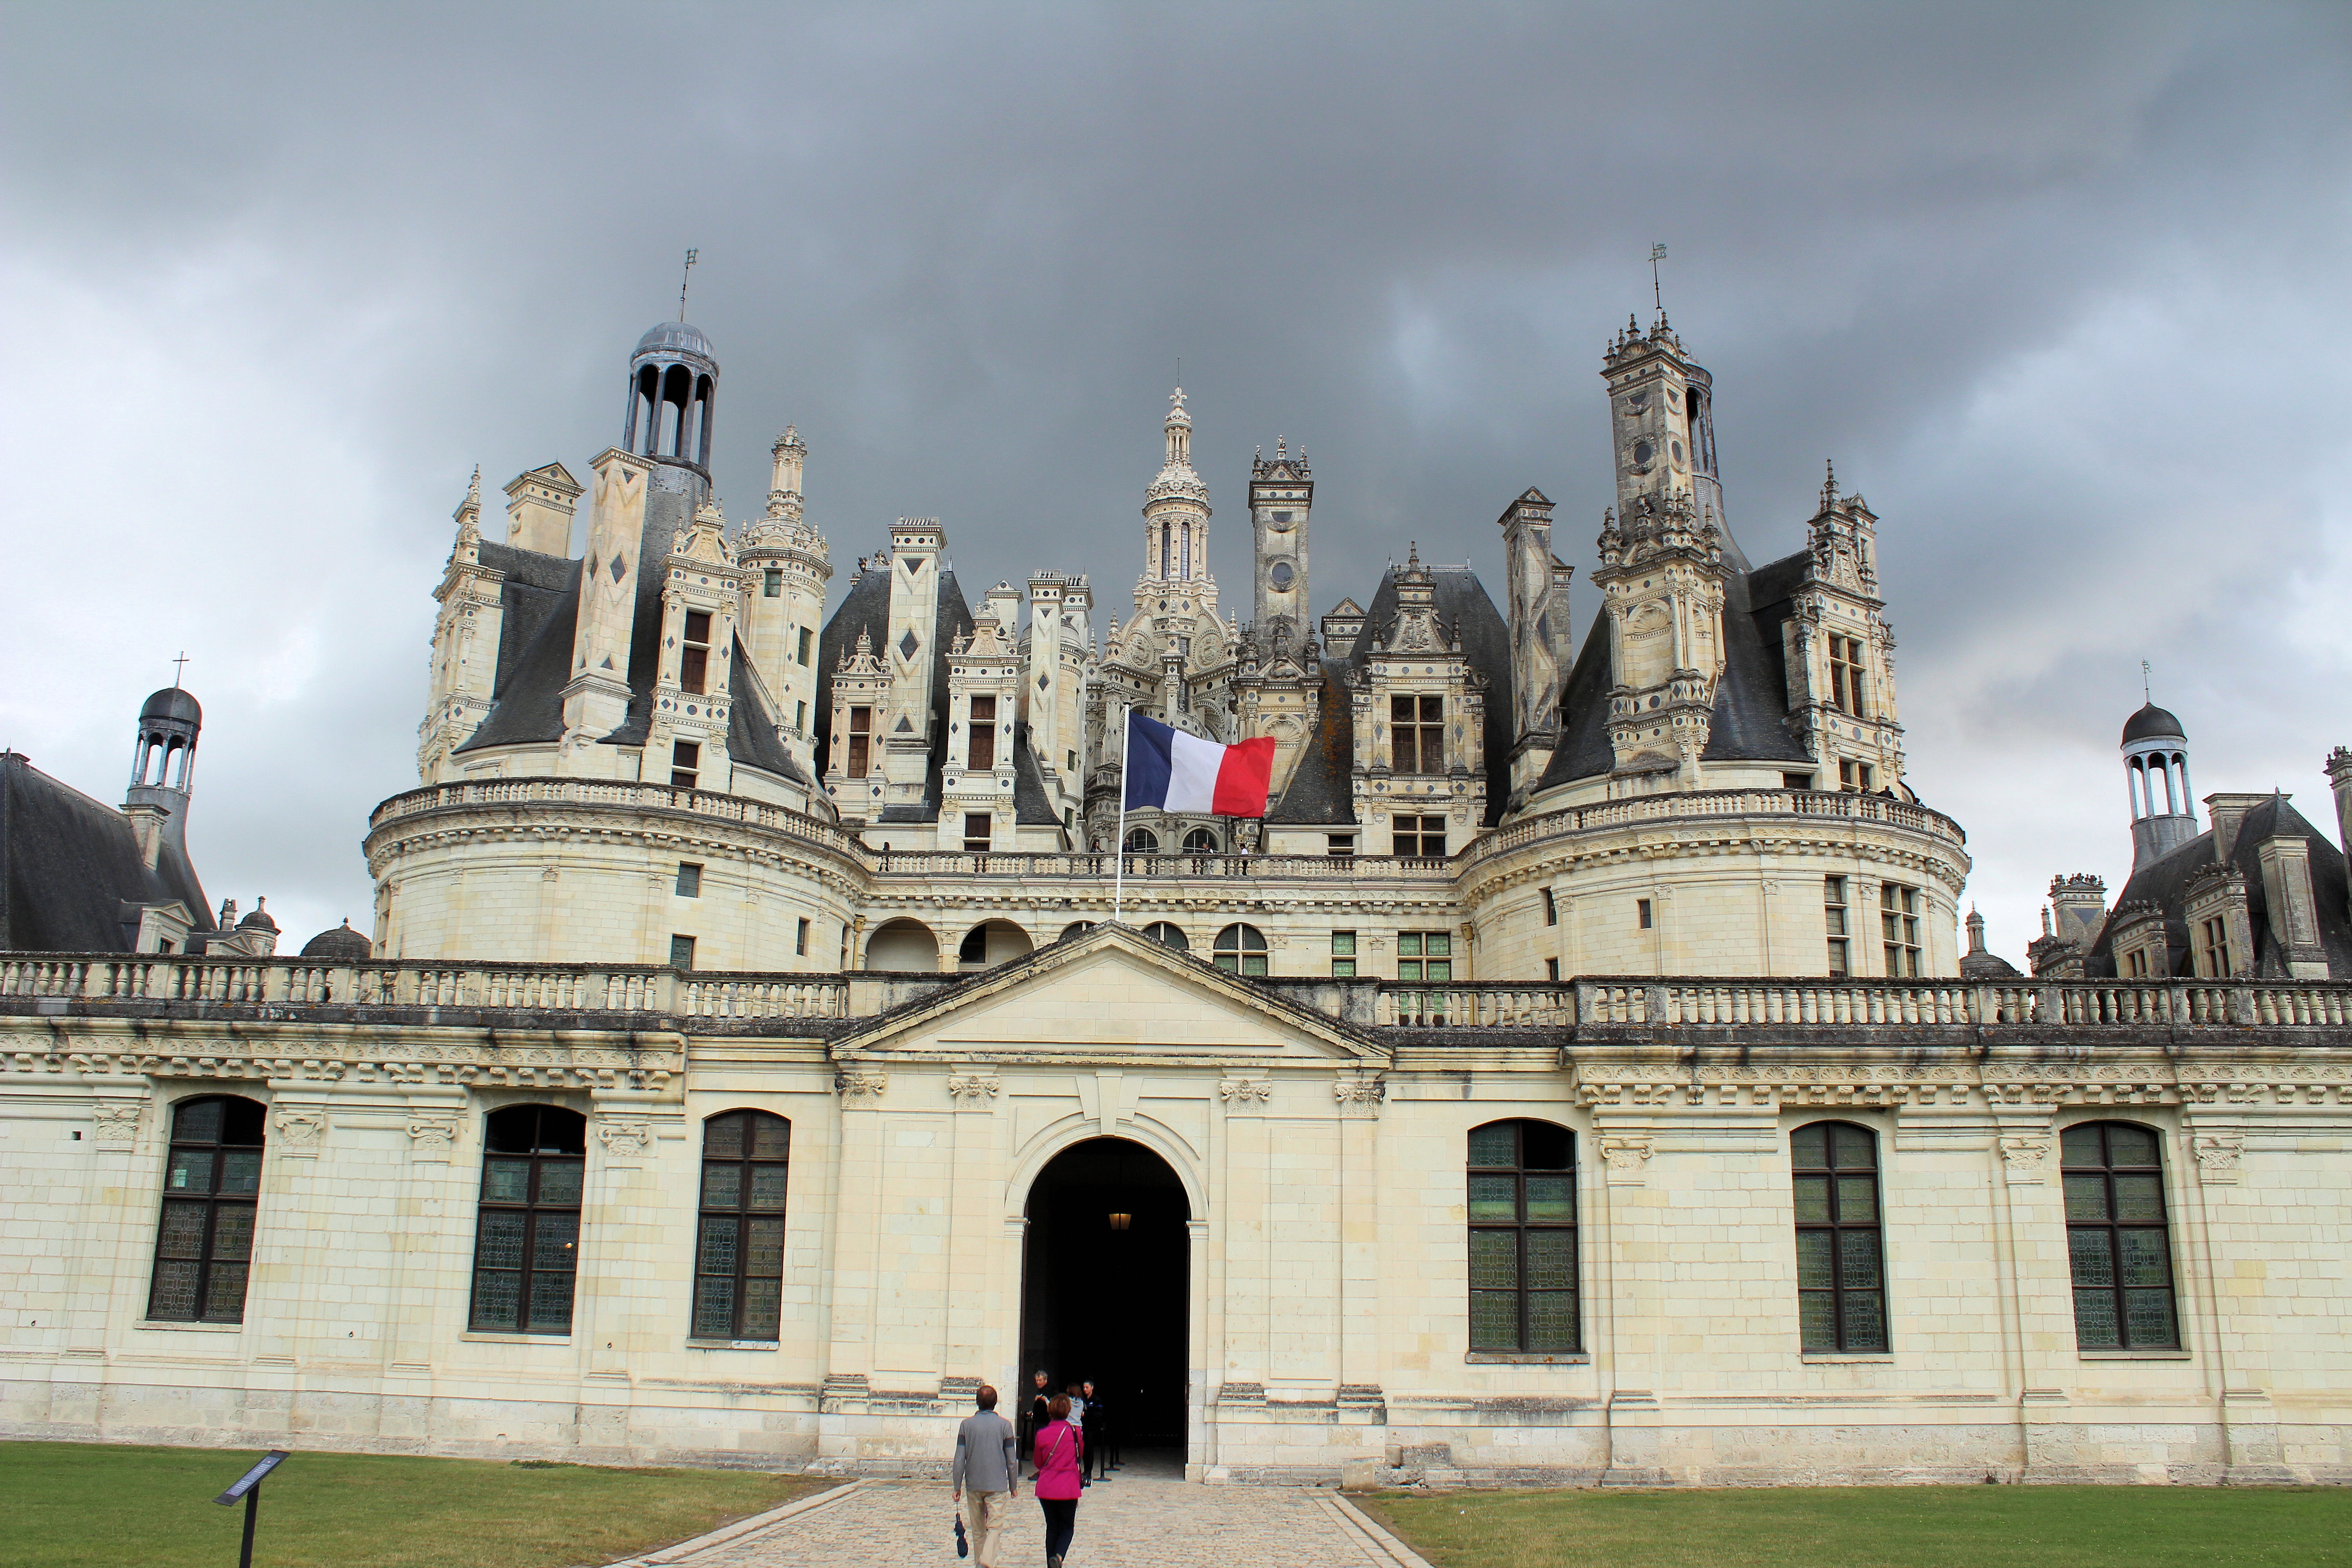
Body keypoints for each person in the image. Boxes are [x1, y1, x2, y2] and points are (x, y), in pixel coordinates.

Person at [951, 1384, 1018, 1568]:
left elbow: (959, 1459)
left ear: (977, 1402)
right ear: (996, 1403)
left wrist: (957, 1486)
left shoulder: (966, 1425)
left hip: (974, 1484)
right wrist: (1013, 1486)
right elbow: (1012, 1460)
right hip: (997, 1484)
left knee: (978, 1531)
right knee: (995, 1527)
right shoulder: (1005, 1426)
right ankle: (987, 1561)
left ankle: (980, 1562)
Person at [1032, 1393, 1084, 1568]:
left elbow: (1038, 1463)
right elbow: (1080, 1455)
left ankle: (1051, 1564)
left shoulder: (1042, 1433)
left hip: (1047, 1487)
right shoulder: (1076, 1433)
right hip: (1068, 1487)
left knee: (1052, 1527)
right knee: (1068, 1527)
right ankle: (1059, 1556)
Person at [1021, 1370, 1052, 1475]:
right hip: (1039, 1420)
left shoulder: (1048, 1390)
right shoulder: (1040, 1391)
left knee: (1043, 1445)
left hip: (1045, 1422)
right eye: (1037, 1381)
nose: (1038, 1383)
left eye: (1040, 1380)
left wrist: (1043, 1399)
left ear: (1045, 1380)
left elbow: (1049, 1404)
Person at [1079, 1381, 1111, 1481]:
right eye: (1084, 1388)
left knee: (1090, 1449)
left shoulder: (1097, 1400)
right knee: (1084, 1450)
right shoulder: (1082, 1400)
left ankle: (1089, 1472)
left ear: (1092, 1388)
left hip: (1092, 1427)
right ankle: (1085, 1470)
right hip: (1083, 1427)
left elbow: (1100, 1414)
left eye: (1087, 1387)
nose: (1085, 1390)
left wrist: (1087, 1415)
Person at [1063, 1384, 1088, 1489]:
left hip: (1068, 1427)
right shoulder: (1082, 1402)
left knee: (1066, 1452)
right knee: (1077, 1453)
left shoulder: (1067, 1401)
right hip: (1078, 1428)